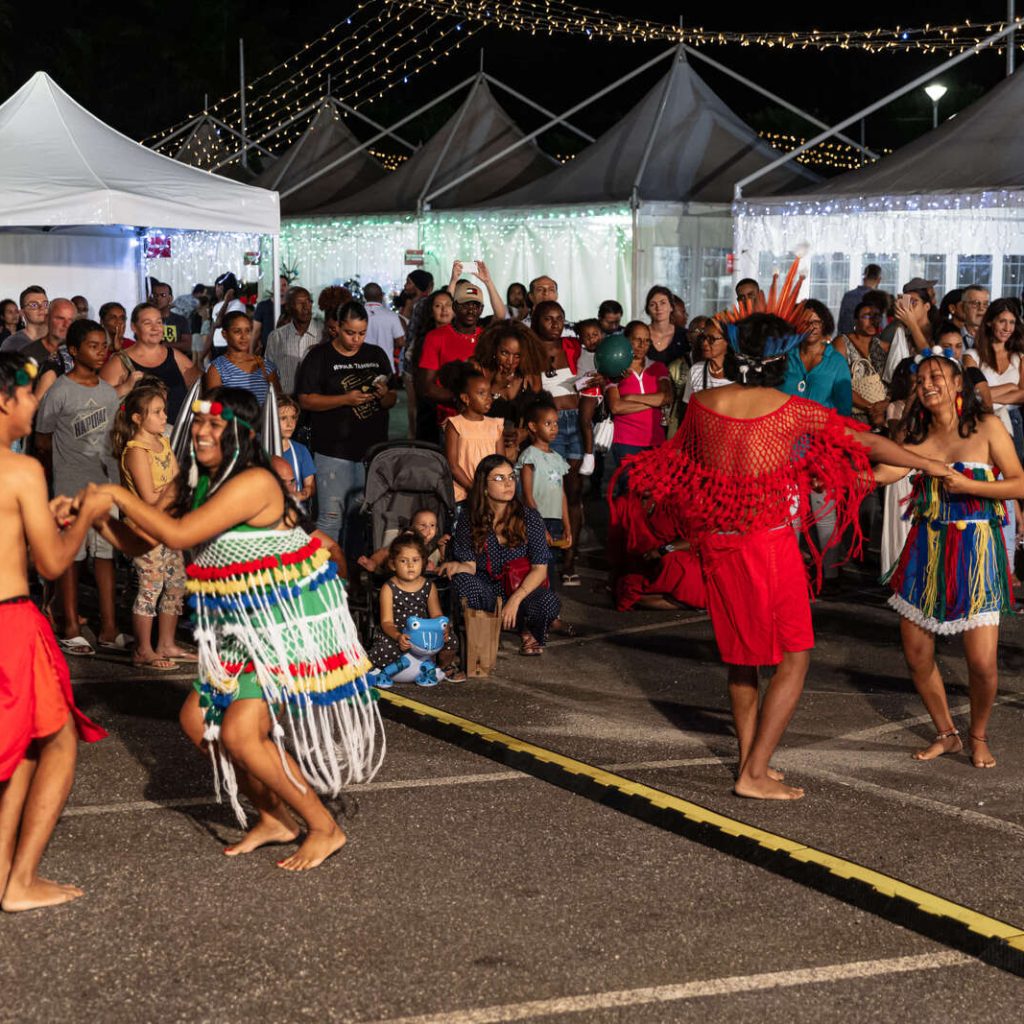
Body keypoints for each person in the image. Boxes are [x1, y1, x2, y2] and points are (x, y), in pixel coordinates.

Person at [618, 270, 951, 800]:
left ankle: (752, 762)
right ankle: (754, 772)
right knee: (794, 656)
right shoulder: (795, 411)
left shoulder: (705, 406)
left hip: (718, 543)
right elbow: (867, 442)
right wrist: (926, 463)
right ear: (784, 359)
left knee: (743, 659)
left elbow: (681, 464)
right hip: (767, 543)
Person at [94, 387, 384, 869]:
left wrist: (117, 493)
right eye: (200, 423)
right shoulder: (189, 479)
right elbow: (141, 541)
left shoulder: (255, 482)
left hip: (281, 622)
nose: (203, 432)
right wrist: (99, 519)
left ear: (241, 434)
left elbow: (181, 536)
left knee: (242, 735)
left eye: (216, 424)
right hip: (235, 622)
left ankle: (324, 827)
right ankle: (274, 818)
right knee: (197, 722)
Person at [877, 348, 1024, 769]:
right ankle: (947, 733)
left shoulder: (987, 427)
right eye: (920, 379)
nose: (927, 384)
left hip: (978, 552)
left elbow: (1019, 484)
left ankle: (977, 734)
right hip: (926, 549)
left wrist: (970, 485)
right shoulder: (917, 436)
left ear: (959, 384)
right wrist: (848, 477)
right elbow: (889, 470)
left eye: (937, 376)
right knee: (918, 657)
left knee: (981, 664)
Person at [0, 351, 110, 912]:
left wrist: (47, 517)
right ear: (4, 400)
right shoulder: (20, 469)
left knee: (21, 746)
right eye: (26, 395)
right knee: (60, 741)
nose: (34, 403)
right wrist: (86, 518)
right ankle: (21, 881)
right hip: (11, 621)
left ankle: (3, 874)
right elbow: (50, 563)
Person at [35, 320, 127, 656]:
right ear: (73, 351)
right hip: (71, 488)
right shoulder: (59, 391)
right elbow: (42, 440)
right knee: (72, 558)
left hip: (105, 488)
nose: (101, 351)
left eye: (104, 345)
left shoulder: (106, 391)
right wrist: (53, 482)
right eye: (93, 345)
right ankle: (70, 625)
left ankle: (109, 626)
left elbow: (113, 439)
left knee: (105, 558)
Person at [296, 300, 396, 561]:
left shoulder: (375, 355)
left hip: (371, 452)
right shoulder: (320, 356)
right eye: (350, 332)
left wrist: (384, 394)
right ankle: (327, 578)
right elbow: (305, 400)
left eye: (362, 333)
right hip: (333, 449)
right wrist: (344, 400)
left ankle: (353, 575)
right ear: (336, 328)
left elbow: (391, 400)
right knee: (330, 518)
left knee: (361, 518)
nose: (356, 339)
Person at [441, 455, 561, 657]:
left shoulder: (529, 516)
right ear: (484, 486)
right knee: (462, 580)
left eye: (511, 477)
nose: (508, 483)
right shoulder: (469, 517)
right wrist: (457, 567)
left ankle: (529, 629)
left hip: (521, 592)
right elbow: (469, 565)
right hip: (487, 594)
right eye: (499, 478)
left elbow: (540, 569)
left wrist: (514, 600)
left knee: (549, 601)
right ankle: (487, 630)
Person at [111, 384, 190, 671]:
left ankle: (166, 643)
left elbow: (177, 478)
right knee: (150, 586)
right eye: (156, 412)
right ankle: (143, 649)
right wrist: (178, 488)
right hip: (144, 530)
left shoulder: (163, 441)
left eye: (163, 411)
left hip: (168, 525)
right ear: (136, 418)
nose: (162, 417)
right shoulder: (135, 450)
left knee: (176, 583)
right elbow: (149, 497)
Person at [780, 299, 852, 589]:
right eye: (805, 321)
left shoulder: (836, 361)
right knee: (790, 506)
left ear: (825, 326)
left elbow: (844, 409)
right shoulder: (784, 356)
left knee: (823, 505)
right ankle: (791, 570)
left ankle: (831, 574)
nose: (810, 327)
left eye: (816, 322)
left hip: (824, 442)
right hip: (786, 443)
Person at [532, 299, 584, 585]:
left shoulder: (572, 347)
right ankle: (544, 558)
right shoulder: (530, 350)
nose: (555, 324)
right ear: (537, 320)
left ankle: (569, 559)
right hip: (548, 426)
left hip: (576, 423)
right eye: (549, 318)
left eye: (560, 318)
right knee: (546, 493)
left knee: (574, 491)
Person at [366, 533, 462, 682]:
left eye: (415, 560)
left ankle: (443, 667)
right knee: (384, 647)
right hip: (399, 635)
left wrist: (443, 628)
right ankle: (379, 669)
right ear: (393, 564)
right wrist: (398, 636)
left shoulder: (429, 586)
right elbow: (386, 622)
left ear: (423, 562)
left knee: (451, 639)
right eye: (403, 561)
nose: (410, 565)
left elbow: (437, 615)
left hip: (423, 636)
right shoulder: (389, 588)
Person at [100, 302, 198, 421]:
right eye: (147, 323)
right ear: (134, 327)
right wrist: (124, 387)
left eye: (159, 322)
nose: (155, 328)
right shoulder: (119, 362)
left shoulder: (176, 357)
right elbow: (99, 402)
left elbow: (202, 387)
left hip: (177, 435)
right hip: (139, 438)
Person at [604, 320, 671, 485]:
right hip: (626, 441)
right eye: (637, 339)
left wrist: (629, 397)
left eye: (647, 340)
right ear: (626, 340)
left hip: (655, 440)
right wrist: (653, 402)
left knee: (653, 491)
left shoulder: (658, 367)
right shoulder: (615, 369)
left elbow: (667, 397)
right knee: (629, 490)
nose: (642, 345)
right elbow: (616, 406)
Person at [417, 281, 486, 440]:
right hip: (449, 422)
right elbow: (426, 387)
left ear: (481, 309)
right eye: (464, 305)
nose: (470, 310)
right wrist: (462, 399)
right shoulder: (436, 337)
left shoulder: (487, 338)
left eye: (475, 306)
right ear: (455, 307)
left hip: (483, 422)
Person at [473, 319, 546, 462]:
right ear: (493, 349)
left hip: (521, 453)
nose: (510, 361)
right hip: (483, 450)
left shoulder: (530, 375)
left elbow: (540, 415)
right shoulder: (479, 371)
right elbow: (471, 411)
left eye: (517, 355)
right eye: (505, 353)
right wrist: (497, 386)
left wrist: (524, 433)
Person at [516, 399, 571, 577]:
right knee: (537, 568)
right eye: (548, 423)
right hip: (536, 519)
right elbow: (527, 495)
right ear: (533, 426)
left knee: (551, 567)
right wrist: (540, 527)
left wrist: (567, 526)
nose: (554, 427)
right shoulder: (530, 456)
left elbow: (562, 494)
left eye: (555, 423)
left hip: (554, 521)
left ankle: (550, 602)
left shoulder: (558, 458)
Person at [441, 361, 504, 506]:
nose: (488, 398)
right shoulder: (455, 425)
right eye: (481, 393)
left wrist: (492, 489)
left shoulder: (496, 425)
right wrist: (473, 489)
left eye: (489, 393)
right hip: (463, 495)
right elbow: (453, 466)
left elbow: (500, 463)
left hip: (491, 495)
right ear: (465, 398)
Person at [204, 310, 280, 407]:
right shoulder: (217, 369)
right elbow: (214, 407)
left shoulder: (266, 366)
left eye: (248, 331)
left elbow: (279, 403)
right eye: (237, 331)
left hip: (264, 421)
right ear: (224, 334)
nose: (244, 337)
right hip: (234, 422)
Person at [833, 300, 889, 427]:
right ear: (855, 320)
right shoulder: (842, 343)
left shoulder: (884, 347)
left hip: (882, 416)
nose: (872, 321)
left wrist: (884, 405)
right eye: (866, 316)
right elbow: (838, 383)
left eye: (876, 316)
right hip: (852, 416)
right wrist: (871, 407)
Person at [264, 286, 322, 395]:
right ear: (288, 307)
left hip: (316, 402)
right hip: (286, 402)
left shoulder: (323, 333)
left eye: (308, 302)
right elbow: (269, 371)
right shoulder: (276, 336)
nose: (306, 307)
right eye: (299, 303)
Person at [358, 508, 449, 576]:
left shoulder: (436, 543)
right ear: (412, 527)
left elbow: (443, 559)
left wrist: (442, 546)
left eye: (432, 525)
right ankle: (374, 562)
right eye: (422, 525)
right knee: (387, 551)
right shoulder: (408, 537)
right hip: (400, 569)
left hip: (426, 575)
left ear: (436, 530)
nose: (427, 529)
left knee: (438, 565)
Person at [883, 283, 938, 382]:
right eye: (906, 302)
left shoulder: (939, 328)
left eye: (913, 302)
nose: (909, 308)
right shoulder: (899, 329)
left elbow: (930, 360)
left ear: (927, 306)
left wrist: (912, 324)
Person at [277, 395, 315, 511]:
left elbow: (310, 485)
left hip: (296, 512)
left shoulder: (301, 450)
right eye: (283, 418)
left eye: (293, 418)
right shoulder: (259, 449)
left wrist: (302, 494)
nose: (290, 424)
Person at [363, 282, 406, 374]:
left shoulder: (356, 315)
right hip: (385, 366)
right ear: (381, 295)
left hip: (361, 365)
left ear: (365, 296)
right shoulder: (392, 316)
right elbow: (401, 342)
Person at [203, 272, 245, 364]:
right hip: (216, 347)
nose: (216, 290)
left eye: (218, 286)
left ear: (223, 287)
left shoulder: (238, 305)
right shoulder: (217, 306)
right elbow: (213, 328)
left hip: (230, 347)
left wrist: (226, 301)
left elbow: (219, 322)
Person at [21, 298, 75, 368]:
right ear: (47, 318)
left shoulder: (80, 352)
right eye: (60, 318)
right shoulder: (27, 354)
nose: (66, 324)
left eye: (70, 320)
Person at [645, 286, 690, 366]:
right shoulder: (641, 334)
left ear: (671, 307)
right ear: (648, 310)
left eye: (663, 303)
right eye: (652, 304)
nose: (658, 308)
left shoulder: (684, 335)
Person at [837, 263, 882, 335]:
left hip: (848, 341)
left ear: (864, 278)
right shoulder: (879, 299)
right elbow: (882, 327)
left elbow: (841, 325)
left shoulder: (848, 296)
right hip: (870, 342)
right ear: (879, 280)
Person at [0, 286, 48, 353]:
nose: (41, 308)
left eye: (45, 304)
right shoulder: (12, 344)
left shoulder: (60, 339)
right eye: (34, 305)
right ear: (22, 312)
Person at [151, 282, 191, 356]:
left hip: (176, 362)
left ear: (170, 298)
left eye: (163, 295)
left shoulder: (181, 320)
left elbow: (187, 345)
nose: (158, 298)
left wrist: (166, 345)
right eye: (155, 295)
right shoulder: (147, 320)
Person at [253, 274, 288, 347]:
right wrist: (250, 353)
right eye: (278, 285)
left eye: (284, 285)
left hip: (288, 351)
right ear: (273, 287)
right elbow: (255, 331)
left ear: (288, 287)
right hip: (267, 351)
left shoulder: (292, 306)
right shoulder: (262, 306)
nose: (281, 288)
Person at [958, 284, 990, 350]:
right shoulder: (953, 336)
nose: (981, 308)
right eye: (975, 303)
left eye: (985, 304)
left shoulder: (994, 336)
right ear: (963, 307)